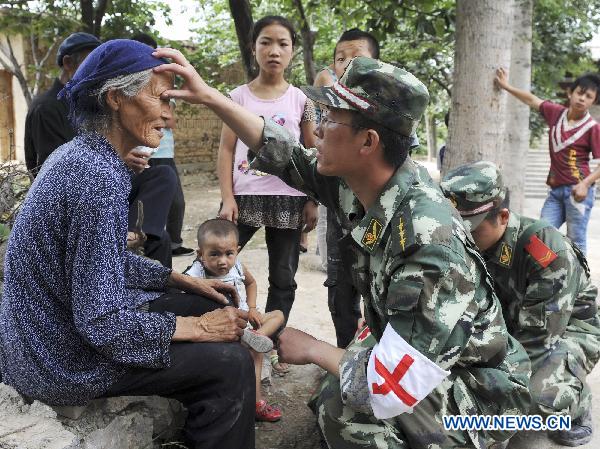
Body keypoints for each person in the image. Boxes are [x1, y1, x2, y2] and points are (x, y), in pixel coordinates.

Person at [153, 49, 532, 449]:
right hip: (422, 350)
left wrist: (314, 349)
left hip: (482, 388)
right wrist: (212, 97)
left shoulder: (426, 240)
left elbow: (390, 387)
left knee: (347, 417)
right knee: (334, 392)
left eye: (330, 119)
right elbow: (285, 154)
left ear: (368, 142)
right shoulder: (366, 183)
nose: (316, 129)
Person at [1, 40, 255, 449]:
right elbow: (100, 323)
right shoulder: (95, 176)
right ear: (117, 97)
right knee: (230, 363)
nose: (170, 118)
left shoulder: (86, 157)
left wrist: (179, 280)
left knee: (210, 302)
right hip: (56, 358)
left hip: (49, 336)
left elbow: (100, 261)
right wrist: (198, 329)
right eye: (161, 99)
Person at [441, 161, 600, 447]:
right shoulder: (464, 244)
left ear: (502, 217)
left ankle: (573, 401)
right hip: (509, 327)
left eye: (473, 232)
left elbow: (539, 340)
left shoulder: (546, 251)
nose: (465, 241)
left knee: (535, 402)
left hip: (565, 332)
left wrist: (492, 386)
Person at [216, 15, 318, 375]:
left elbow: (310, 155)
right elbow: (227, 150)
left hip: (289, 199)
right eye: (266, 42)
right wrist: (227, 197)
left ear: (292, 50)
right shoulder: (237, 97)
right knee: (213, 265)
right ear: (254, 47)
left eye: (283, 44)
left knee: (284, 278)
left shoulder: (301, 100)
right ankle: (213, 331)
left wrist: (311, 200)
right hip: (243, 198)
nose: (274, 51)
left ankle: (271, 345)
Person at [313, 28, 381, 349]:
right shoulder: (327, 106)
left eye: (357, 57)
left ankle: (374, 365)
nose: (347, 64)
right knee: (340, 297)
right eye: (341, 59)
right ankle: (344, 360)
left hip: (377, 224)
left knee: (380, 299)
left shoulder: (390, 109)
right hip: (340, 221)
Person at [185, 218, 285, 422]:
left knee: (278, 315)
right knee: (256, 355)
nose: (223, 261)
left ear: (237, 251)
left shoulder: (237, 266)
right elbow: (183, 297)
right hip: (226, 327)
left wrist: (254, 308)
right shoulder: (196, 273)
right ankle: (257, 403)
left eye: (229, 254)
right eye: (214, 254)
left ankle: (255, 336)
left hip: (247, 320)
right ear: (200, 254)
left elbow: (252, 283)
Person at [495, 68, 600, 254]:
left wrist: (585, 184)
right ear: (570, 93)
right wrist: (506, 86)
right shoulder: (556, 113)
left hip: (578, 193)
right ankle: (545, 276)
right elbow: (531, 99)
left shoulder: (593, 128)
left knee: (576, 242)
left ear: (594, 101)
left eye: (589, 96)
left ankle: (578, 282)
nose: (582, 99)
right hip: (556, 192)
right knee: (540, 233)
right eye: (579, 93)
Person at [131, 33, 195, 258]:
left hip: (164, 152)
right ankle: (142, 245)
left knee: (175, 200)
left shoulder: (165, 87)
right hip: (139, 154)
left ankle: (171, 243)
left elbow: (171, 121)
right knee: (143, 200)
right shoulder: (131, 88)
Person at [24, 32, 101, 176]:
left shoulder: (86, 104)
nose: (96, 72)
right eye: (90, 64)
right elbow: (55, 173)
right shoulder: (46, 109)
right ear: (68, 63)